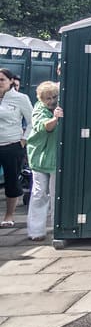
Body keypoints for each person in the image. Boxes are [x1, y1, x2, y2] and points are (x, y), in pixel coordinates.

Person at [26, 81, 61, 241]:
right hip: (40, 156)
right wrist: (55, 118)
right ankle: (36, 231)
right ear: (40, 99)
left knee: (56, 194)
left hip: (55, 157)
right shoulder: (39, 109)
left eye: (54, 97)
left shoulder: (60, 105)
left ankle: (57, 227)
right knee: (39, 193)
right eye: (48, 98)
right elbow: (45, 127)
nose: (51, 101)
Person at [0, 68, 33, 227]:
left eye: (2, 80)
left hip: (12, 145)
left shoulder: (20, 98)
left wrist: (23, 140)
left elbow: (32, 121)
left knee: (11, 181)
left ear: (10, 81)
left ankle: (9, 216)